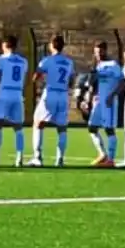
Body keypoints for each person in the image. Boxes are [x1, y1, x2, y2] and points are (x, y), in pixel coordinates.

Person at [30, 35, 77, 168]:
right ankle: (60, 159)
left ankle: (37, 157)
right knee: (62, 128)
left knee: (38, 123)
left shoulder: (47, 61)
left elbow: (35, 77)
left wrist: (40, 80)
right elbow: (72, 80)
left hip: (50, 92)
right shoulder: (69, 62)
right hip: (63, 94)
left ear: (52, 45)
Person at [0, 36, 29, 168]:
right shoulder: (23, 61)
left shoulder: (1, 59)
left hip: (4, 93)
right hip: (18, 94)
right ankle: (19, 159)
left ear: (5, 45)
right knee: (18, 128)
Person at [85, 42, 124, 167]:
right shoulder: (96, 66)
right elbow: (92, 84)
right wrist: (88, 99)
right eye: (96, 52)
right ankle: (103, 154)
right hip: (98, 101)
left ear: (105, 51)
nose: (98, 54)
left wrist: (112, 96)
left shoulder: (113, 65)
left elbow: (122, 82)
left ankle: (111, 160)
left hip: (109, 102)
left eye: (100, 51)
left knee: (109, 129)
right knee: (92, 127)